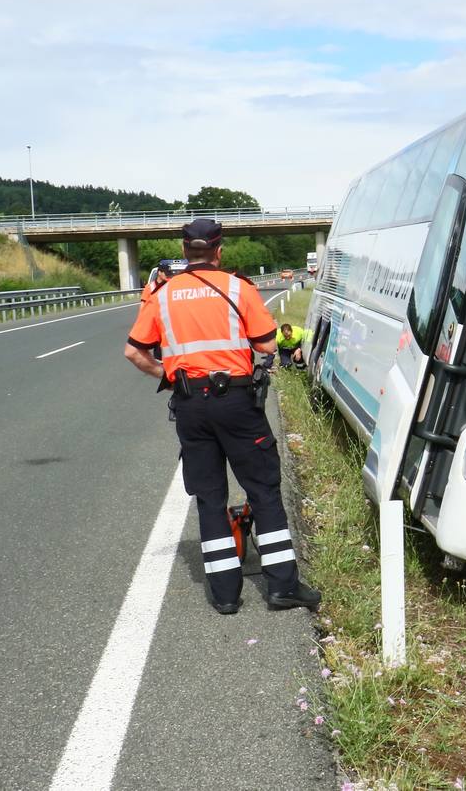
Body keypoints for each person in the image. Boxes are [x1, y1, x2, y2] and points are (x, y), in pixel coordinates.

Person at [123, 218, 322, 616]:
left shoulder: (161, 295)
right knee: (263, 490)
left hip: (190, 404)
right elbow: (267, 343)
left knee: (209, 496)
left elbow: (134, 352)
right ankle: (282, 587)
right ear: (219, 250)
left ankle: (226, 595)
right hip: (236, 401)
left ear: (184, 250)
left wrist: (173, 376)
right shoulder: (238, 287)